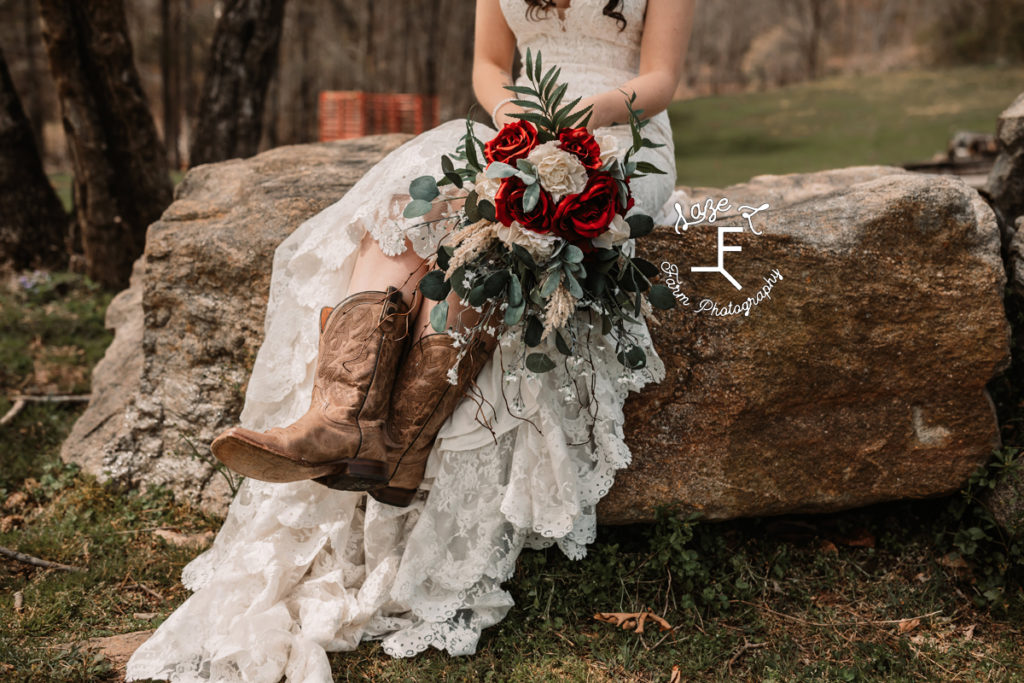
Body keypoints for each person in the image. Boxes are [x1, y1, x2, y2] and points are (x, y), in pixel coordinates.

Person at [126, 0, 695, 680]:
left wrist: (583, 118)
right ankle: (343, 416)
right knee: (410, 200)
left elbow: (661, 78)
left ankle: (401, 441)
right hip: (524, 127)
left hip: (619, 138)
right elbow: (488, 65)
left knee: (497, 240)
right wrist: (517, 117)